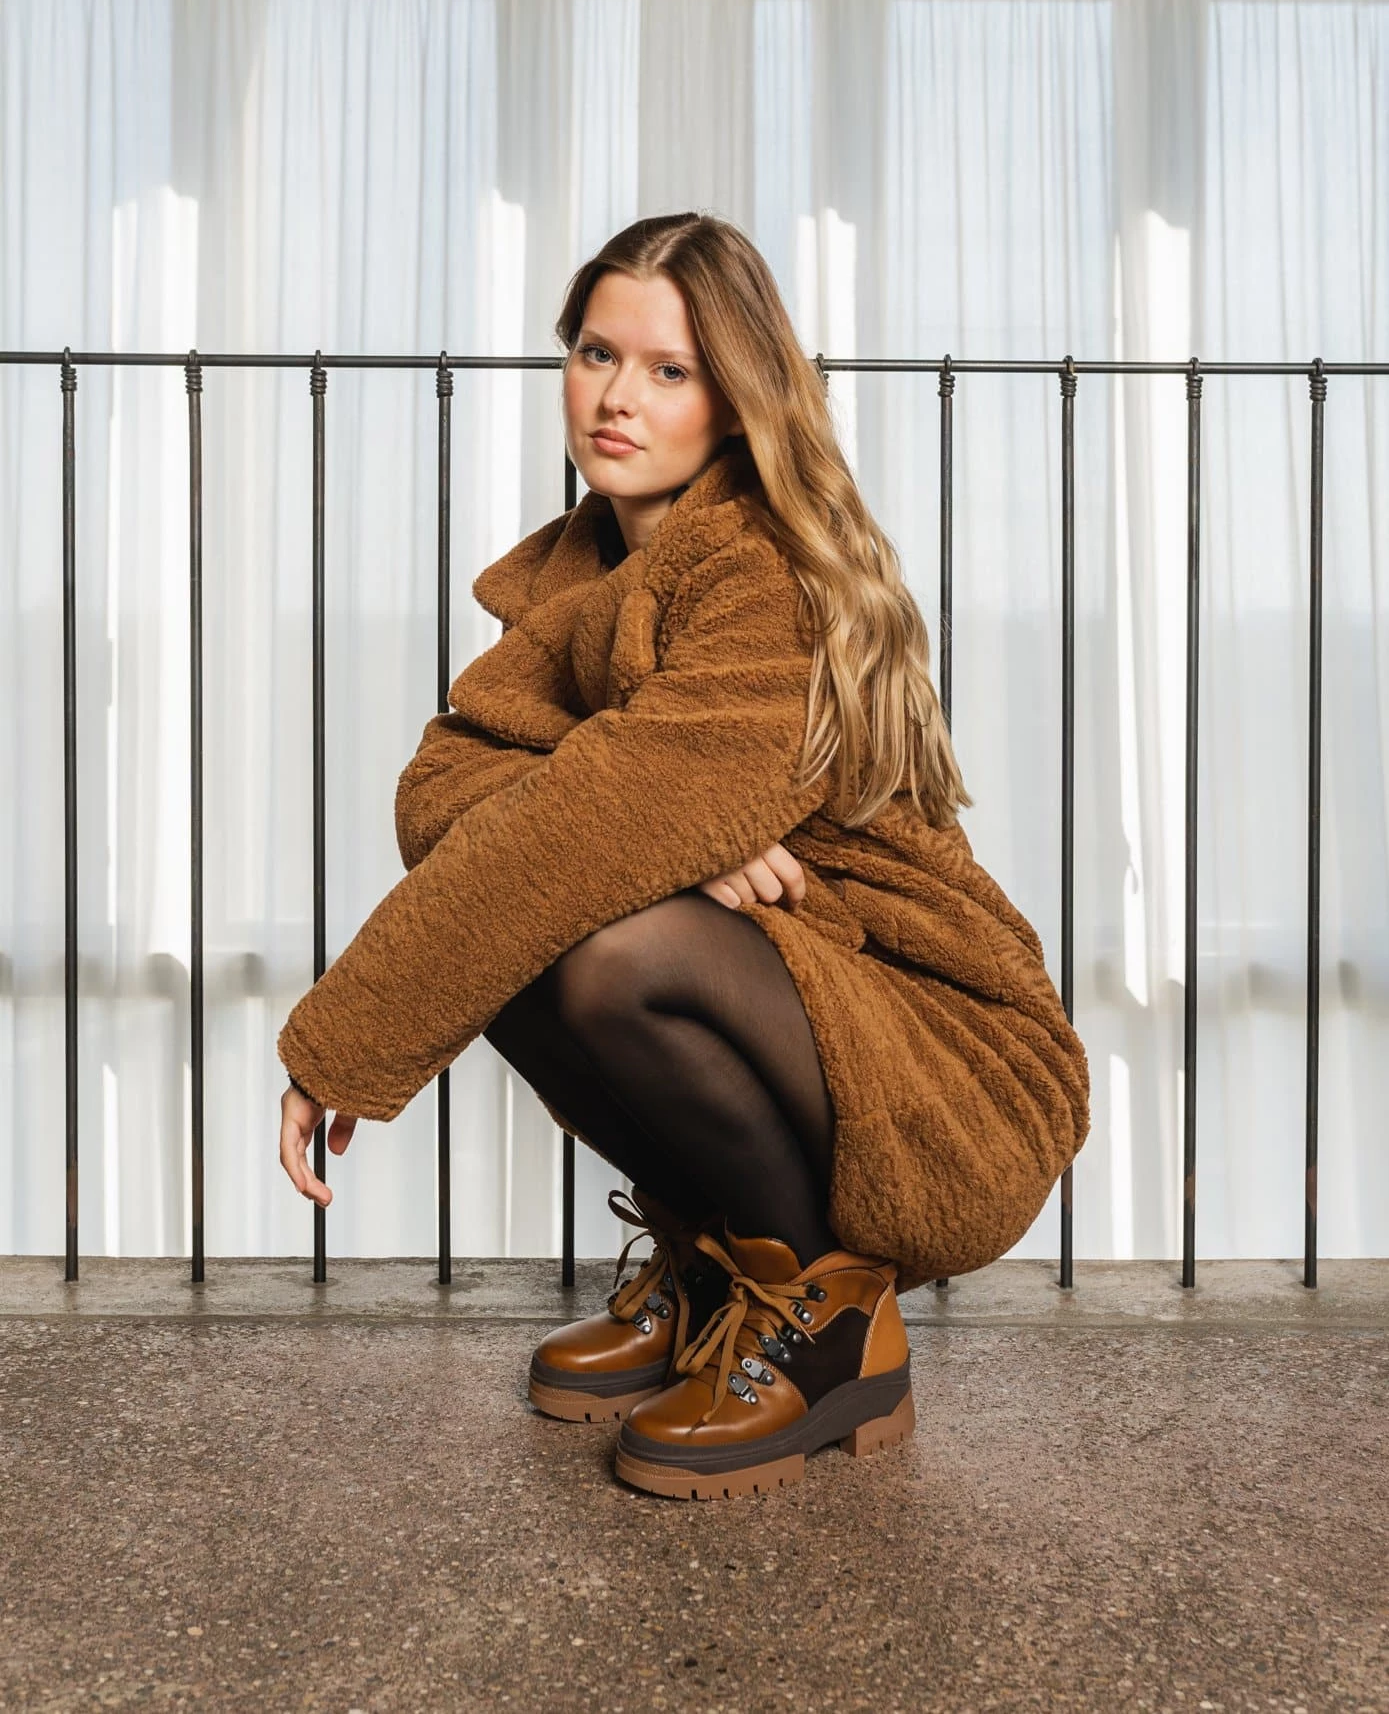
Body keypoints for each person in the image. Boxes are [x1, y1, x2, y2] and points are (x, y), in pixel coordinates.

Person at [276, 211, 1090, 1502]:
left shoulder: (761, 569)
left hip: (944, 1053)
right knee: (537, 915)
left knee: (611, 944)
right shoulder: (581, 570)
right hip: (796, 987)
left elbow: (577, 828)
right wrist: (664, 831)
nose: (618, 397)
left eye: (671, 370)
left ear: (737, 399)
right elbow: (440, 795)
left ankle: (828, 1333)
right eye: (597, 353)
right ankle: (717, 1273)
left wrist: (348, 1043)